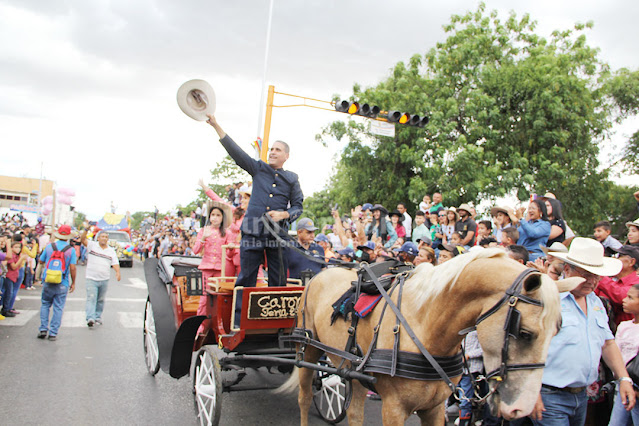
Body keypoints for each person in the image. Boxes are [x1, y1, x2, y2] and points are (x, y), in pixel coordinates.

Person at [529, 238, 635, 425]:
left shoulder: (596, 303)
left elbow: (607, 343)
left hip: (581, 395)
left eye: (596, 276)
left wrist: (624, 378)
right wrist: (531, 391)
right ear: (568, 270)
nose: (592, 281)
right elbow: (528, 349)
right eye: (586, 274)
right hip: (549, 395)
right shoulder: (549, 299)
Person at [206, 114, 303, 289]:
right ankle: (239, 316)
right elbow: (237, 153)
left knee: (278, 281)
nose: (272, 152)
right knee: (246, 280)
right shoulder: (259, 168)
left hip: (277, 235)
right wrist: (215, 125)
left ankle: (275, 316)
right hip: (252, 232)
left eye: (278, 150)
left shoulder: (292, 178)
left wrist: (284, 214)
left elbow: (298, 207)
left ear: (286, 156)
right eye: (271, 149)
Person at [38, 225, 77, 341]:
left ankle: (43, 329)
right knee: (58, 307)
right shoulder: (71, 250)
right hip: (62, 281)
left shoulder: (50, 246)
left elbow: (41, 260)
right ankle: (53, 333)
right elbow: (73, 268)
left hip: (48, 279)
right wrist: (73, 282)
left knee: (45, 304)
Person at [608, 283, 639, 425]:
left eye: (630, 298)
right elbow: (616, 355)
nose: (624, 300)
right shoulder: (624, 326)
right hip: (624, 384)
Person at [80, 227, 121, 327]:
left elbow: (115, 263)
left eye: (106, 237)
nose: (104, 238)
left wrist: (118, 272)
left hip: (104, 279)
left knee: (100, 299)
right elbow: (82, 240)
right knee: (91, 298)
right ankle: (90, 317)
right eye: (102, 236)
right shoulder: (92, 246)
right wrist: (86, 230)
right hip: (91, 278)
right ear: (98, 238)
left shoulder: (111, 251)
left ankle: (97, 316)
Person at [595, 245, 639, 328]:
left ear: (631, 262)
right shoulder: (611, 280)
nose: (614, 259)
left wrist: (600, 277)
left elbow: (622, 296)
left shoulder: (637, 283)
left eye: (619, 256)